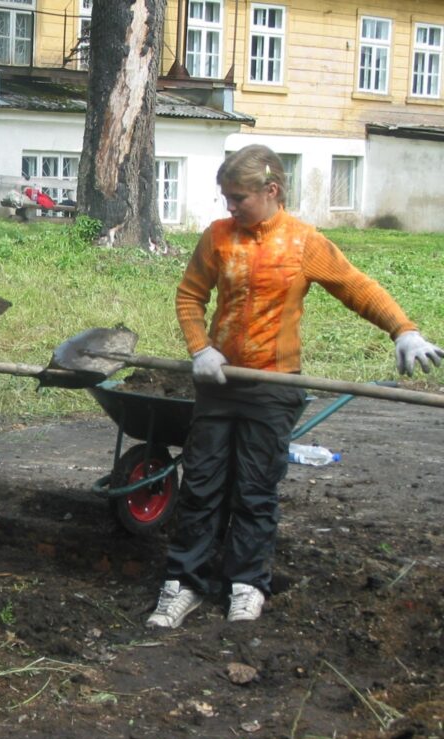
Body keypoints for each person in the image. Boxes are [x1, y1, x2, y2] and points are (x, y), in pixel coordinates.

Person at [146, 144, 443, 629]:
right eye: (225, 198)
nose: (230, 207)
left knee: (255, 490)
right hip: (220, 383)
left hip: (274, 385)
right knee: (200, 485)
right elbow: (190, 295)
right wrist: (201, 348)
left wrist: (403, 330)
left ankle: (246, 584)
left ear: (272, 190)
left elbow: (355, 286)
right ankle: (184, 584)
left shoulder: (303, 243)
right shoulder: (218, 238)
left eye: (238, 197)